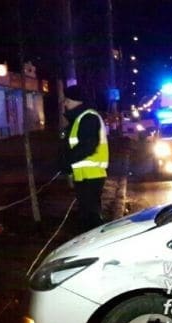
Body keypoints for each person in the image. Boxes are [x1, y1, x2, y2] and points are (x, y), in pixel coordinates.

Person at [61, 84, 109, 232]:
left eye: (67, 100)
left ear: (77, 101)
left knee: (90, 217)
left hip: (91, 175)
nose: (65, 103)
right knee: (88, 214)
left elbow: (87, 146)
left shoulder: (88, 118)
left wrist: (65, 162)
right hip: (85, 175)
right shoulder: (80, 118)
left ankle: (96, 246)